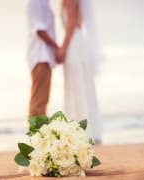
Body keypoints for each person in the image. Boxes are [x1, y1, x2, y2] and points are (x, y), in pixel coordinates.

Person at [58, 0, 104, 143]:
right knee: (82, 87)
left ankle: (80, 133)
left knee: (76, 87)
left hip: (73, 44)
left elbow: (71, 24)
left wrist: (63, 48)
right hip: (78, 42)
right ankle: (89, 131)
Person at [27, 0, 59, 117]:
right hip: (40, 55)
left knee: (42, 100)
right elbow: (39, 30)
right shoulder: (36, 2)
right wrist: (57, 48)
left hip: (44, 56)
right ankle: (36, 133)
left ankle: (38, 133)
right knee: (39, 101)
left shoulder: (44, 2)